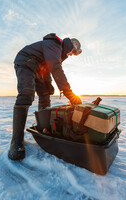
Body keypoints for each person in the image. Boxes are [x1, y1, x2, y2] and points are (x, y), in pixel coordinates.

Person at [8, 33, 82, 161]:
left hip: (38, 67)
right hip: (26, 60)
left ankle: (44, 127)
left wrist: (48, 84)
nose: (70, 55)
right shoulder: (55, 45)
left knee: (45, 94)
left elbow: (47, 68)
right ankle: (16, 141)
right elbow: (55, 67)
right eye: (72, 52)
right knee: (27, 93)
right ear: (71, 45)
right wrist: (69, 94)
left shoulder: (57, 51)